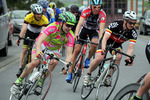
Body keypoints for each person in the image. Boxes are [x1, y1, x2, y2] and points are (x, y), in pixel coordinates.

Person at [10, 11, 76, 95]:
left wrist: (66, 66)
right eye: (68, 25)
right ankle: (18, 82)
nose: (69, 28)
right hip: (42, 45)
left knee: (54, 61)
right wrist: (38, 51)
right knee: (35, 62)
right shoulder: (52, 27)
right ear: (61, 22)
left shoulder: (70, 36)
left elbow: (69, 54)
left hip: (54, 50)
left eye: (72, 26)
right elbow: (39, 41)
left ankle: (40, 82)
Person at [83, 10, 138, 85]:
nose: (132, 25)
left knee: (118, 57)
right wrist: (103, 48)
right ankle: (88, 75)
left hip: (116, 45)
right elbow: (105, 38)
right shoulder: (116, 24)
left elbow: (130, 48)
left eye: (134, 23)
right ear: (125, 20)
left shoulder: (133, 33)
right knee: (99, 58)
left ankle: (108, 77)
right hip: (106, 41)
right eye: (130, 23)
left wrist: (128, 58)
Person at [65, 0, 106, 82]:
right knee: (76, 50)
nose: (96, 9)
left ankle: (88, 58)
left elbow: (101, 29)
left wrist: (101, 41)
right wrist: (76, 33)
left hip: (94, 31)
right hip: (84, 29)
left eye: (99, 7)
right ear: (91, 6)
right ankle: (70, 73)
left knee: (95, 44)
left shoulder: (102, 14)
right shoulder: (86, 11)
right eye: (94, 7)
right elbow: (80, 23)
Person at [16, 4, 49, 78]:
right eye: (37, 14)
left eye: (40, 14)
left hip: (38, 33)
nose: (39, 16)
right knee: (24, 50)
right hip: (30, 32)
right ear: (33, 13)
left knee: (37, 48)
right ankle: (20, 68)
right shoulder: (28, 16)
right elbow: (24, 28)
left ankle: (34, 66)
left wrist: (39, 41)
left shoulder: (45, 19)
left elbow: (42, 33)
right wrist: (20, 37)